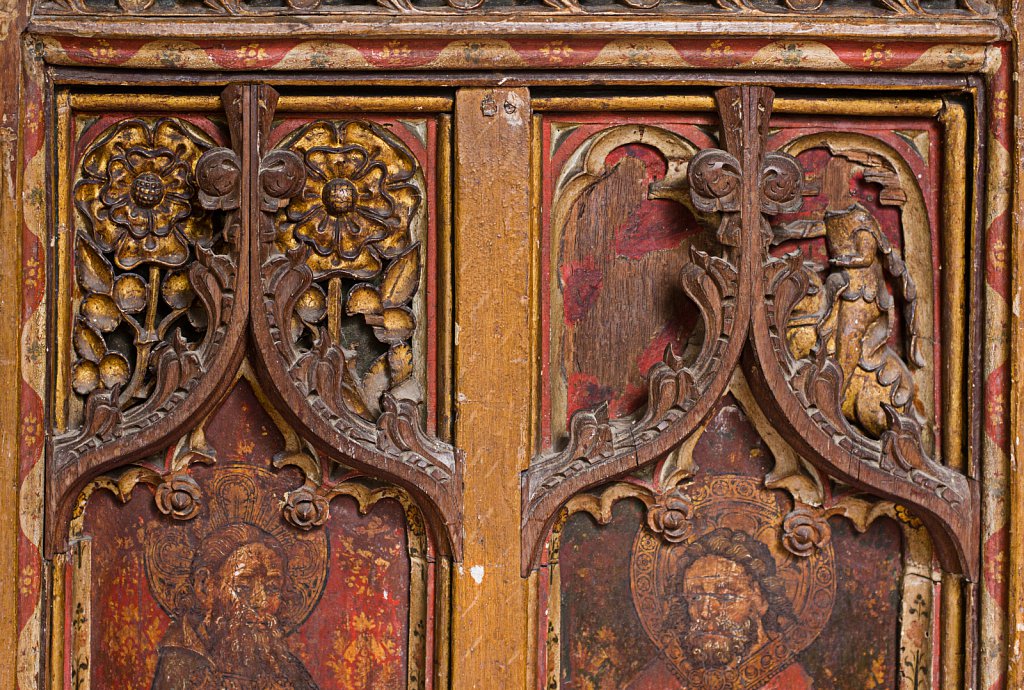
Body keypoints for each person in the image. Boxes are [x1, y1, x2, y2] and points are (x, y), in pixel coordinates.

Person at [627, 528, 813, 689]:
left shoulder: (790, 680)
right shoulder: (665, 675)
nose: (706, 612)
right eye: (695, 597)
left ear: (760, 600)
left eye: (726, 596)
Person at [151, 522, 319, 690]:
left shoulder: (289, 670)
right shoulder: (179, 664)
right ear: (205, 586)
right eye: (243, 587)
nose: (260, 602)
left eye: (272, 588)